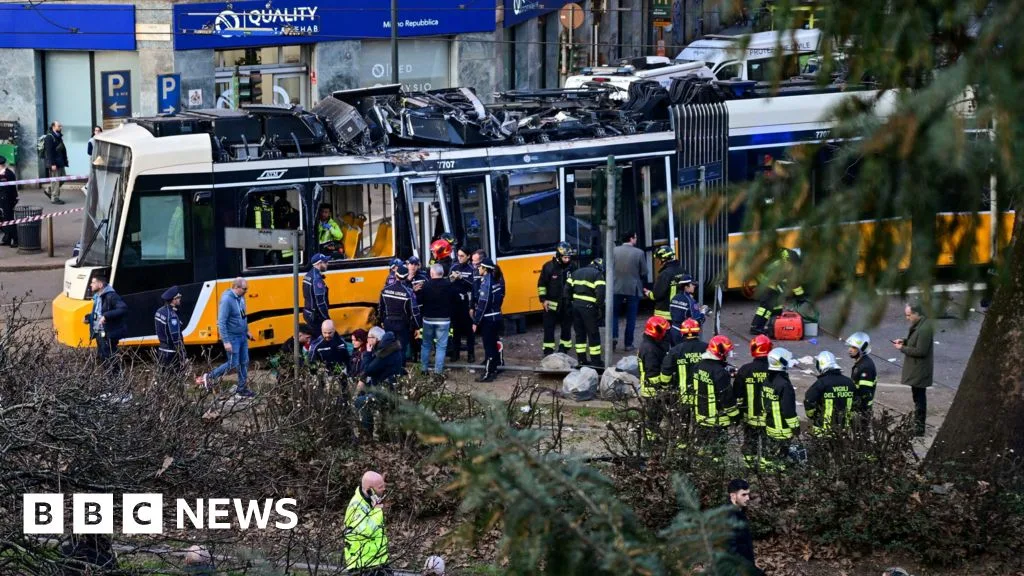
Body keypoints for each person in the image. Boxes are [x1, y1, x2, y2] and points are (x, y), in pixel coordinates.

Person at [196, 278, 255, 397]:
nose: (246, 291)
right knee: (233, 363)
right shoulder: (227, 300)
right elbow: (222, 322)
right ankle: (209, 376)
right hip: (232, 338)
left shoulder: (241, 298)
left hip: (242, 336)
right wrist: (226, 341)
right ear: (236, 287)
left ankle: (242, 388)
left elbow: (243, 316)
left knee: (244, 362)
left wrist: (247, 331)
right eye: (244, 289)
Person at [894, 303, 933, 436]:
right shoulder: (920, 326)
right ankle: (918, 425)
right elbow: (915, 341)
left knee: (919, 399)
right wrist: (904, 341)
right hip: (917, 369)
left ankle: (919, 427)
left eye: (909, 315)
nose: (907, 318)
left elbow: (921, 350)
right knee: (917, 397)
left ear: (917, 314)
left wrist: (902, 348)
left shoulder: (924, 329)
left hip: (919, 370)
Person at [355, 329, 405, 434]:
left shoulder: (384, 353)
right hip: (389, 387)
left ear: (376, 339)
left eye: (369, 337)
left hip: (385, 391)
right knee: (363, 393)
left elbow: (368, 369)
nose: (367, 340)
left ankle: (367, 433)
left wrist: (368, 353)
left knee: (360, 401)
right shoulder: (392, 348)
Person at [750, 247, 806, 336]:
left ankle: (774, 325)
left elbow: (793, 282)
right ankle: (756, 328)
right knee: (766, 305)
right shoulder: (781, 263)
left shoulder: (787, 261)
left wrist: (801, 295)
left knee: (777, 305)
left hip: (768, 278)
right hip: (765, 279)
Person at [693, 335, 738, 444]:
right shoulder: (720, 372)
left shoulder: (698, 365)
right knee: (717, 452)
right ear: (721, 353)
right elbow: (726, 397)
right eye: (726, 352)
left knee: (701, 447)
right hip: (716, 420)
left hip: (701, 416)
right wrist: (735, 416)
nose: (727, 354)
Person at [734, 335, 772, 462]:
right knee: (769, 445)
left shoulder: (745, 370)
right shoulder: (774, 370)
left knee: (750, 442)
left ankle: (749, 466)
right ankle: (766, 468)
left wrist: (738, 413)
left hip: (749, 416)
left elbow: (737, 393)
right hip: (769, 419)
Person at [344, 471, 390, 574]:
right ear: (370, 490)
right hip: (363, 565)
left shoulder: (369, 502)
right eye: (380, 487)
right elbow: (368, 531)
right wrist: (377, 509)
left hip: (378, 561)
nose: (383, 489)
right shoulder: (356, 506)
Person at [661, 318, 707, 420]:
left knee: (683, 425)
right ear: (698, 331)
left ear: (682, 333)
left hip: (683, 396)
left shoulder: (676, 351)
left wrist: (664, 387)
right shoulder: (706, 348)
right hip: (703, 396)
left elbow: (666, 371)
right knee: (701, 425)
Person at [762, 347, 800, 467]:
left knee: (769, 456)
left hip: (770, 426)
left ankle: (766, 477)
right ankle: (779, 478)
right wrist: (795, 427)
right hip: (781, 429)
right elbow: (788, 410)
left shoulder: (767, 380)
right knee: (781, 459)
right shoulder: (784, 385)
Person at [537, 241, 576, 356]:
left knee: (566, 328)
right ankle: (548, 351)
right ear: (558, 256)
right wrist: (543, 300)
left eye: (569, 257)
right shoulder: (548, 267)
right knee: (549, 328)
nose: (567, 260)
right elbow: (541, 285)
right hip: (551, 304)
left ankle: (564, 349)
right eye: (565, 257)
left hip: (567, 304)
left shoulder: (572, 267)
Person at [418, 263, 458, 374]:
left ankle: (424, 370)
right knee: (441, 346)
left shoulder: (425, 285)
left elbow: (419, 301)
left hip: (428, 319)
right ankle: (438, 372)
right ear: (442, 273)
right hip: (444, 320)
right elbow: (455, 300)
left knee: (426, 345)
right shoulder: (449, 285)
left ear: (431, 273)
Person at [638, 316, 673, 442]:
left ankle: (652, 440)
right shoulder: (649, 349)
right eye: (663, 331)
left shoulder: (652, 344)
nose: (665, 334)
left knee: (655, 418)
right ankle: (650, 442)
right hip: (652, 390)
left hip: (653, 389)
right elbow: (652, 375)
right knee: (653, 419)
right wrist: (664, 386)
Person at [804, 351, 855, 436]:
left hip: (822, 429)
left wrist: (812, 415)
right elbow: (856, 403)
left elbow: (809, 400)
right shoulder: (849, 382)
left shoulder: (821, 383)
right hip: (844, 429)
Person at [612, 231, 648, 352]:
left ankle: (613, 337)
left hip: (615, 287)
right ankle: (628, 344)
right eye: (636, 237)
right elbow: (644, 272)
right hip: (633, 288)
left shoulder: (613, 251)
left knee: (614, 314)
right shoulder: (639, 253)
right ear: (631, 239)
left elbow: (607, 268)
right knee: (631, 317)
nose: (636, 239)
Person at [568, 257, 606, 367]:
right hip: (589, 309)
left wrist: (571, 304)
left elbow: (567, 290)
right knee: (593, 335)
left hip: (576, 307)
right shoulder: (597, 274)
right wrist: (598, 307)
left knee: (580, 334)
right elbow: (601, 293)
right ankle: (596, 362)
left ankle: (581, 361)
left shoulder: (575, 273)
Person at [86, 275, 127, 377]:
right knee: (103, 357)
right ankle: (109, 381)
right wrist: (88, 318)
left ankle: (115, 381)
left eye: (93, 282)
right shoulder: (98, 297)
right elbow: (98, 313)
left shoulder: (111, 296)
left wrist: (106, 316)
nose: (91, 285)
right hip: (99, 333)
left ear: (100, 284)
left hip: (108, 333)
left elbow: (123, 309)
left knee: (110, 358)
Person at [378, 264, 421, 360]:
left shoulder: (385, 290)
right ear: (406, 276)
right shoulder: (408, 292)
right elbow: (414, 312)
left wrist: (381, 320)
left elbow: (380, 308)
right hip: (402, 325)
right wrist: (417, 327)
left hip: (388, 322)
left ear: (396, 275)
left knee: (388, 347)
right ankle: (400, 370)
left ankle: (390, 369)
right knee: (401, 348)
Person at [473, 257, 505, 382]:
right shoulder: (497, 280)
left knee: (489, 347)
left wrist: (476, 321)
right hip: (497, 316)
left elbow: (483, 304)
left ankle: (488, 374)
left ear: (485, 269)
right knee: (494, 343)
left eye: (480, 267)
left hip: (488, 320)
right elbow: (501, 297)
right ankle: (496, 367)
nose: (478, 268)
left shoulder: (486, 283)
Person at [726, 479, 763, 576]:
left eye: (748, 494)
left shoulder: (739, 510)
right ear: (733, 496)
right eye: (743, 495)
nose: (748, 498)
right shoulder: (729, 517)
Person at [449, 246, 476, 363]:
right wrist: (451, 278)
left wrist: (461, 278)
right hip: (454, 302)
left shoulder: (472, 269)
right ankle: (456, 354)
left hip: (467, 302)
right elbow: (448, 282)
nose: (459, 258)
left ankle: (471, 354)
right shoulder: (454, 266)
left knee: (469, 330)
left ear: (468, 256)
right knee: (456, 330)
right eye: (458, 255)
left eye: (462, 256)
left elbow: (474, 285)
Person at [645, 246, 684, 321]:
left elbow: (657, 295)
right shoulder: (682, 271)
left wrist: (648, 293)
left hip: (665, 314)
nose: (658, 262)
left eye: (658, 259)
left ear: (662, 259)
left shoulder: (665, 274)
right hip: (680, 311)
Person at [845, 331, 877, 419]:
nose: (850, 350)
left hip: (862, 411)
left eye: (854, 347)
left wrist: (859, 411)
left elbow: (865, 392)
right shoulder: (861, 363)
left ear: (862, 349)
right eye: (850, 347)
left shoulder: (865, 367)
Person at [669, 273, 708, 344]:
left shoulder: (674, 298)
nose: (694, 286)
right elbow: (697, 321)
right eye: (692, 284)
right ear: (686, 287)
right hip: (684, 334)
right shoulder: (690, 301)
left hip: (673, 331)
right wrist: (703, 312)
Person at [154, 286, 185, 373]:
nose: (180, 300)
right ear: (173, 300)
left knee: (164, 379)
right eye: (178, 298)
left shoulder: (159, 311)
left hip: (162, 350)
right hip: (171, 353)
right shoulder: (172, 316)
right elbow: (176, 337)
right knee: (175, 379)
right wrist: (183, 356)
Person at [303, 253, 331, 332]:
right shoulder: (317, 279)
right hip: (316, 317)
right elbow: (320, 302)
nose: (327, 264)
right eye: (325, 262)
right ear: (319, 264)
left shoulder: (308, 275)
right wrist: (326, 318)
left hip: (308, 313)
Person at [43, 120, 68, 205]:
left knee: (63, 178)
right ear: (54, 127)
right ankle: (55, 198)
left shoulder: (58, 136)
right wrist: (52, 164)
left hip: (60, 162)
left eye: (60, 126)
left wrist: (65, 160)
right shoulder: (49, 137)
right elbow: (49, 152)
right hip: (54, 163)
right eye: (59, 126)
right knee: (56, 181)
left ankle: (49, 190)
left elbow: (62, 150)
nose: (60, 127)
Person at [0, 155, 18, 247]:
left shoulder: (7, 174)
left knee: (9, 219)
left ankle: (15, 239)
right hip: (2, 199)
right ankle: (7, 238)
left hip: (7, 199)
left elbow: (8, 190)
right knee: (3, 219)